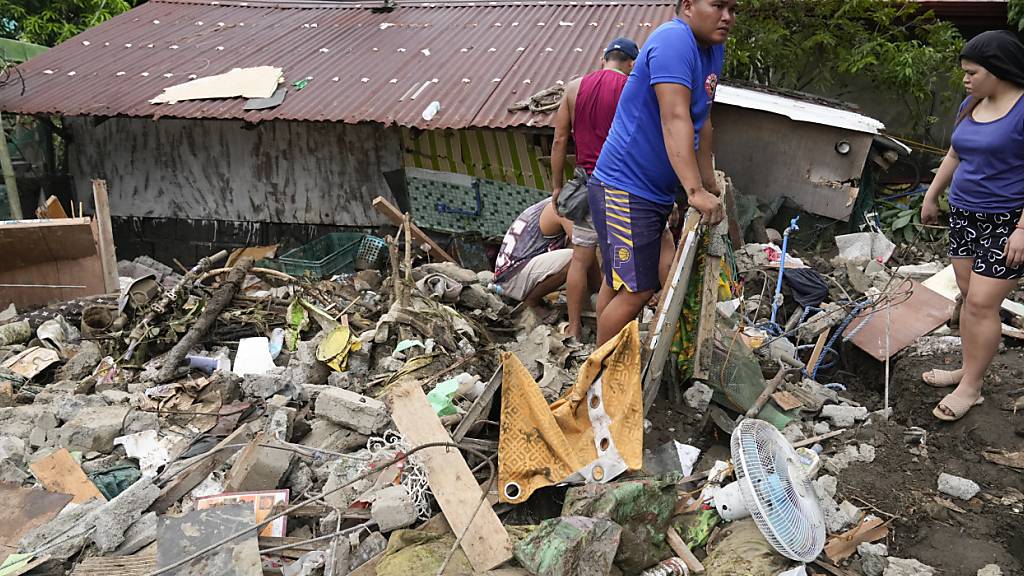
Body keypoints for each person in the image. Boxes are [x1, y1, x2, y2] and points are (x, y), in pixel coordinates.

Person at [587, 0, 733, 345]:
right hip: (625, 186)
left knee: (618, 282)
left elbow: (703, 120)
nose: (727, 17)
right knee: (638, 290)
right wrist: (694, 191)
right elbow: (675, 117)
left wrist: (708, 179)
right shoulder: (673, 41)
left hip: (649, 191)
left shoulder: (712, 49)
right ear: (687, 6)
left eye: (732, 8)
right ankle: (600, 382)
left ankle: (598, 373)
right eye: (717, 5)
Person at [920, 30, 1024, 421]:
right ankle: (969, 368)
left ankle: (972, 388)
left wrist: (1023, 229)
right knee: (969, 296)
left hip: (1007, 221)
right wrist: (932, 195)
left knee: (982, 303)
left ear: (997, 70)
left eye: (972, 71)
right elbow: (954, 152)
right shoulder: (971, 102)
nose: (965, 78)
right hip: (965, 213)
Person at [550, 37, 639, 340]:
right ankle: (607, 332)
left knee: (580, 258)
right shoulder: (630, 89)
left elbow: (560, 140)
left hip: (583, 184)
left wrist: (557, 185)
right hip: (617, 187)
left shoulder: (574, 88)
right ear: (631, 64)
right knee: (615, 262)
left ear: (603, 60)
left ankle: (574, 328)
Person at [493, 199, 572, 316]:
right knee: (576, 258)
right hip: (512, 278)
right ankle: (532, 302)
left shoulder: (553, 202)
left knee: (577, 257)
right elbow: (584, 249)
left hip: (508, 275)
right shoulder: (563, 208)